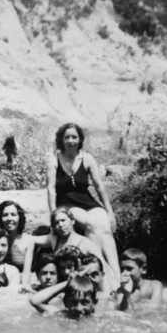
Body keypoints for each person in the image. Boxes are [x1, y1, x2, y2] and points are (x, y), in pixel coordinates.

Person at [46, 122, 120, 287]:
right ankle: (102, 273)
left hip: (87, 201)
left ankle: (116, 274)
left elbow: (99, 187)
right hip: (66, 203)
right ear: (61, 139)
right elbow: (51, 189)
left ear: (80, 140)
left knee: (105, 225)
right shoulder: (54, 159)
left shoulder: (87, 159)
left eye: (74, 137)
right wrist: (53, 215)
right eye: (67, 137)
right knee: (91, 224)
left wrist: (110, 213)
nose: (71, 140)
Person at [33, 206, 114, 294]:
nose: (60, 225)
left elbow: (103, 268)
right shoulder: (54, 239)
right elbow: (30, 240)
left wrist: (106, 294)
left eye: (63, 220)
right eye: (56, 223)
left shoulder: (85, 243)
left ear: (72, 221)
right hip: (64, 286)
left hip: (83, 285)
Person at [30, 270, 96, 318]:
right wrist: (68, 282)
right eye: (73, 302)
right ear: (65, 302)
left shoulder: (99, 320)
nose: (78, 308)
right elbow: (34, 300)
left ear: (94, 303)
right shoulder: (62, 315)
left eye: (84, 302)